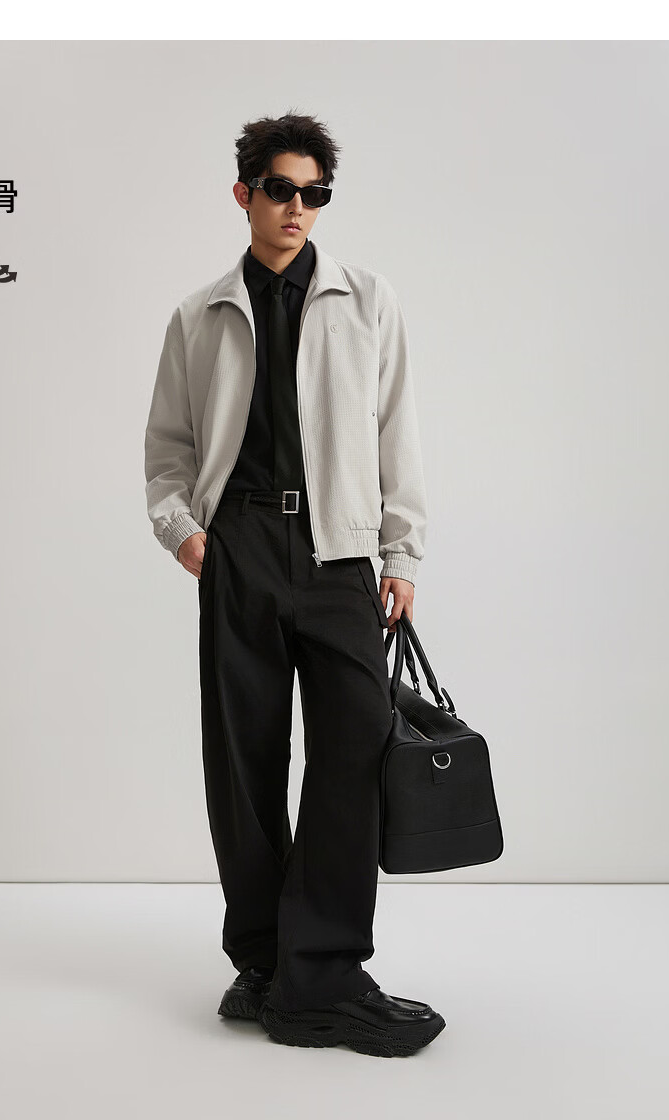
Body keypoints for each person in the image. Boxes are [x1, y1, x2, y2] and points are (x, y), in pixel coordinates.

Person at [144, 110, 444, 1057]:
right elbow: (168, 447)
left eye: (315, 193)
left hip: (337, 552)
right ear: (244, 194)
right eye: (280, 190)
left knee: (354, 746)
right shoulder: (199, 316)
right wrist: (187, 535)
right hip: (238, 547)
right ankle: (266, 964)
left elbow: (397, 430)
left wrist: (401, 553)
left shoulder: (367, 300)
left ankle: (325, 973)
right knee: (245, 763)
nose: (297, 208)